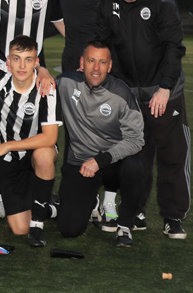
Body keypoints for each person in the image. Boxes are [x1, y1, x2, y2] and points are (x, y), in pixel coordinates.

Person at [95, 0, 190, 239]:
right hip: (128, 93)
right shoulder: (106, 3)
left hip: (164, 91)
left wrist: (164, 88)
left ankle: (173, 217)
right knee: (136, 154)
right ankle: (135, 210)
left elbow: (174, 47)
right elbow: (101, 43)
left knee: (172, 155)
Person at [0, 36, 59, 247]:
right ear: (7, 61)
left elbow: (50, 138)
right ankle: (50, 206)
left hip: (32, 152)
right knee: (18, 228)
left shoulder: (46, 87)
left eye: (28, 59)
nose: (22, 65)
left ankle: (38, 224)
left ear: (36, 62)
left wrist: (5, 146)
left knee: (44, 155)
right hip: (9, 161)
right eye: (16, 59)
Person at [56, 41, 145, 246]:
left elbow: (137, 139)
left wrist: (101, 159)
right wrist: (42, 73)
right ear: (82, 62)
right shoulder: (66, 82)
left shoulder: (121, 93)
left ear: (109, 66)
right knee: (69, 229)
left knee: (134, 166)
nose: (96, 68)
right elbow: (37, 84)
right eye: (91, 61)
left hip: (112, 161)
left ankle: (124, 225)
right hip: (80, 163)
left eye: (102, 62)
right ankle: (92, 201)